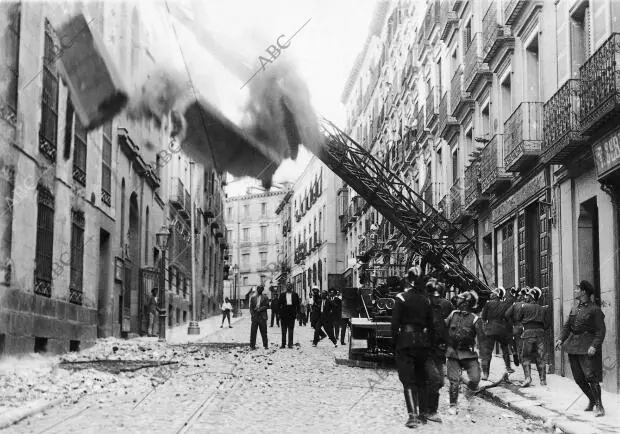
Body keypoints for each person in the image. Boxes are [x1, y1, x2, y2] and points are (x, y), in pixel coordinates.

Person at [391, 267, 435, 428]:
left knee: (408, 380)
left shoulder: (401, 298)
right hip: (422, 343)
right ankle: (423, 414)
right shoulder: (426, 300)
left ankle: (412, 416)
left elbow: (394, 324)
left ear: (408, 280)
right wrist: (430, 344)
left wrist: (394, 343)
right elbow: (431, 326)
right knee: (422, 379)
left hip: (405, 342)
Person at [555, 280, 606, 417]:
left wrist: (594, 346)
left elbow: (600, 331)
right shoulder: (574, 308)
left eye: (578, 289)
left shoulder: (595, 310)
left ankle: (599, 406)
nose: (575, 291)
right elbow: (567, 326)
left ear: (584, 291)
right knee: (578, 378)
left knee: (591, 376)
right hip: (573, 346)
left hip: (587, 347)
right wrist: (560, 339)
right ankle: (592, 400)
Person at [445, 290, 481, 415]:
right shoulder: (453, 314)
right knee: (454, 381)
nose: (457, 300)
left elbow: (482, 338)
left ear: (466, 302)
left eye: (460, 298)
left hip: (469, 354)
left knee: (476, 379)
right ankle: (453, 405)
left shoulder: (475, 319)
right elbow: (443, 326)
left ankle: (469, 394)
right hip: (453, 353)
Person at [424, 278, 454, 422]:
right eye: (433, 296)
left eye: (438, 296)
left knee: (440, 381)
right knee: (435, 379)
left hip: (439, 350)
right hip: (424, 350)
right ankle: (430, 411)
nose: (436, 299)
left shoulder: (446, 306)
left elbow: (449, 327)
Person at [512, 287, 550, 387]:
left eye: (528, 295)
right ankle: (543, 380)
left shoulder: (524, 307)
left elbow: (517, 318)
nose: (526, 297)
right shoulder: (543, 309)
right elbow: (547, 325)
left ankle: (528, 378)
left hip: (527, 334)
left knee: (525, 357)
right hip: (540, 335)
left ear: (532, 296)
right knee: (540, 357)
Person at [480, 287, 514, 380]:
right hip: (502, 330)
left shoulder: (488, 304)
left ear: (497, 294)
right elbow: (508, 317)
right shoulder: (505, 304)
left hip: (490, 330)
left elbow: (483, 318)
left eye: (493, 293)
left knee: (488, 353)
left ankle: (486, 374)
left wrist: (484, 328)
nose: (491, 294)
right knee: (505, 349)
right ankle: (508, 367)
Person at [278, 283, 301, 348]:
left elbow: (298, 305)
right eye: (287, 286)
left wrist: (298, 313)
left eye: (290, 286)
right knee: (283, 330)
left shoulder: (295, 295)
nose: (288, 287)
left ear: (292, 287)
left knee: (291, 329)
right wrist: (279, 314)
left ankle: (290, 344)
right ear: (286, 287)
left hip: (292, 314)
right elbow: (279, 305)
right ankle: (283, 344)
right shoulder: (282, 295)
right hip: (284, 314)